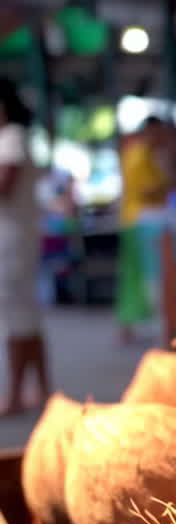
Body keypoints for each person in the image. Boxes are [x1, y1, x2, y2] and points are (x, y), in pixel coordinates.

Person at [0, 77, 48, 415]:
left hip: (12, 241)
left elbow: (4, 186)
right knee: (26, 317)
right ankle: (41, 389)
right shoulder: (14, 138)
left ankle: (17, 394)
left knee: (17, 317)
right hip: (17, 237)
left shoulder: (11, 138)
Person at [117, 117, 176, 343]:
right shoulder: (140, 155)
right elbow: (148, 191)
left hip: (136, 220)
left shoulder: (140, 153)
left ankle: (128, 326)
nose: (162, 137)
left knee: (133, 276)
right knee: (147, 276)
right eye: (160, 132)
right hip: (141, 221)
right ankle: (153, 325)